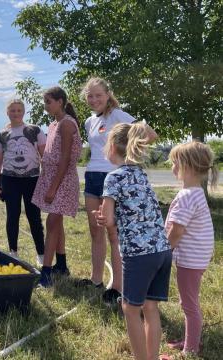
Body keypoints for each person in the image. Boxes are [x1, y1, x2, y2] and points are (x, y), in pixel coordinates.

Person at [94, 122, 171, 360]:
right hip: (162, 249)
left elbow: (107, 218)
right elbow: (152, 133)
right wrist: (138, 127)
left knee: (130, 308)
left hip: (139, 254)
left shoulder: (113, 178)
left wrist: (101, 218)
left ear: (113, 148)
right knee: (150, 307)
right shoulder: (140, 171)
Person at [79, 77, 157, 305]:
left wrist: (130, 155)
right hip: (92, 177)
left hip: (112, 178)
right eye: (90, 96)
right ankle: (96, 279)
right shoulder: (88, 122)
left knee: (114, 233)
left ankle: (118, 286)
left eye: (98, 95)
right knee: (95, 230)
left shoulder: (119, 116)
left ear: (107, 94)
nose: (94, 100)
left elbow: (150, 134)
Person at [162, 142, 219, 358]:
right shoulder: (194, 192)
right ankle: (190, 340)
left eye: (175, 162)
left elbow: (176, 231)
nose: (172, 167)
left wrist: (164, 252)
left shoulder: (187, 195)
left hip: (191, 259)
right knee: (188, 300)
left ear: (188, 166)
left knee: (189, 304)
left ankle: (191, 349)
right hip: (196, 257)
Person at [31, 86, 82, 288]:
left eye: (48, 102)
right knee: (56, 222)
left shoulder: (67, 124)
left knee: (52, 223)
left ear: (60, 101)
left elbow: (65, 159)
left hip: (62, 179)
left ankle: (46, 273)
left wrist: (53, 188)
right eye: (45, 102)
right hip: (51, 177)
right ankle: (62, 265)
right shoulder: (53, 124)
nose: (45, 107)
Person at [0, 99, 45, 266]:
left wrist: (47, 179)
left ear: (23, 112)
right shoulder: (2, 135)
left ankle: (41, 254)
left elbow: (44, 156)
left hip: (32, 180)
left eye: (19, 110)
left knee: (34, 217)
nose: (16, 113)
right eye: (12, 110)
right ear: (7, 113)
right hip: (10, 180)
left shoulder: (34, 130)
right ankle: (13, 252)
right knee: (12, 216)